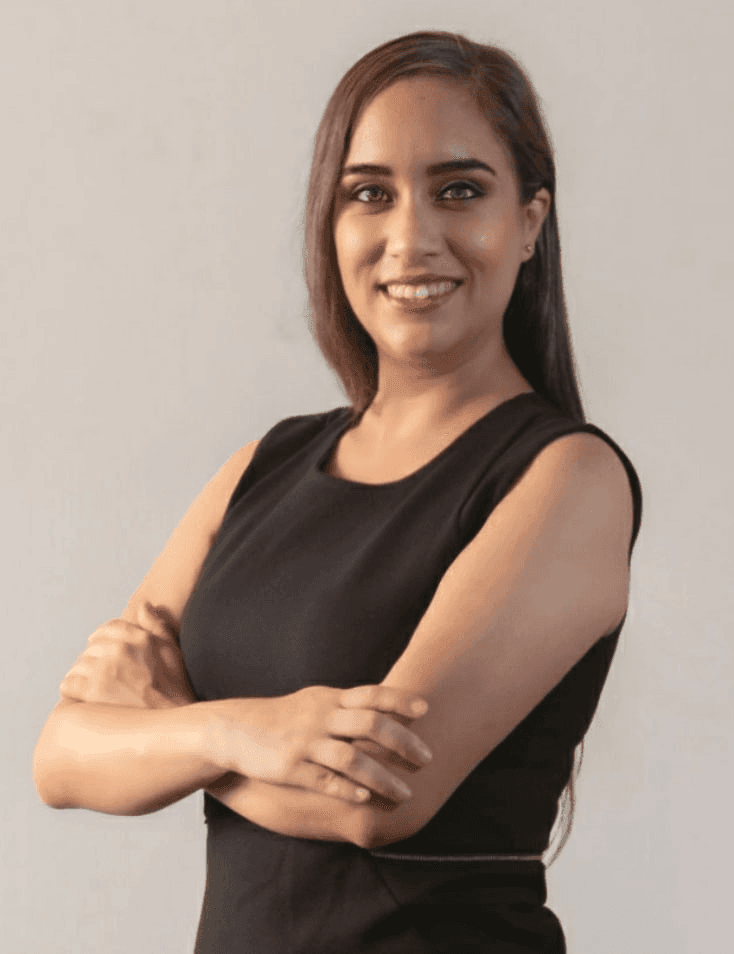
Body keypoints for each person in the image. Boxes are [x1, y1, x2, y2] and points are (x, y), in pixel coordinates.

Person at [33, 30, 642, 954]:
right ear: (332, 221)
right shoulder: (261, 470)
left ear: (529, 222)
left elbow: (376, 802)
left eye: (460, 190)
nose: (411, 236)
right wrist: (244, 735)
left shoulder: (567, 478)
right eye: (369, 194)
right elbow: (62, 757)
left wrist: (171, 738)